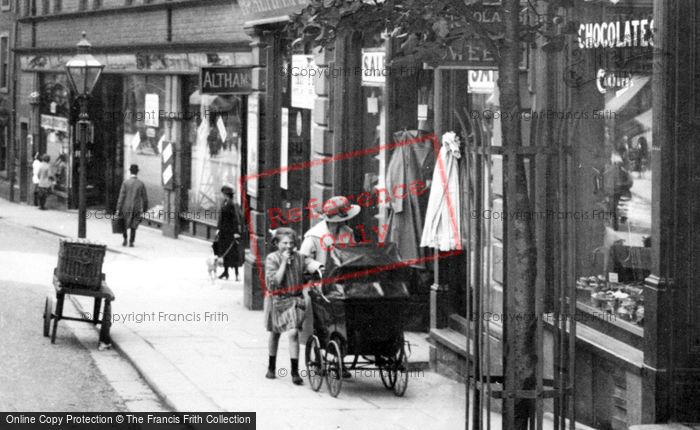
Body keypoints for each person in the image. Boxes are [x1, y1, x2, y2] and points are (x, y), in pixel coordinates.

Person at [299, 196, 360, 379]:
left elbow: (352, 254)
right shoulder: (314, 235)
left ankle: (340, 358)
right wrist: (318, 266)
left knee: (345, 317)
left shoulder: (347, 233)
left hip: (341, 284)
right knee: (317, 317)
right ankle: (317, 357)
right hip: (319, 284)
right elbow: (303, 259)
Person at [264, 227, 323, 385]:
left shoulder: (300, 258)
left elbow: (311, 264)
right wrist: (283, 262)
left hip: (295, 300)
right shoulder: (272, 258)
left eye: (291, 243)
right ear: (276, 243)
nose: (288, 246)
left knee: (293, 333)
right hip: (277, 300)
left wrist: (319, 267)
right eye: (284, 243)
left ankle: (295, 372)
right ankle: (271, 367)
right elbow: (274, 282)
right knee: (275, 333)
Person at [215, 184, 244, 280]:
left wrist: (236, 232)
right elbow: (221, 217)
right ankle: (226, 272)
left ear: (226, 194)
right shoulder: (224, 202)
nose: (222, 195)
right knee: (225, 252)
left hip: (231, 233)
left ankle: (236, 274)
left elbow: (236, 219)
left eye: (223, 194)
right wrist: (218, 229)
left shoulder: (233, 204)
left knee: (233, 253)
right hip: (224, 232)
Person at [116, 164, 149, 247]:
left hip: (125, 207)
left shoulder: (125, 183)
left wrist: (118, 208)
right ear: (137, 172)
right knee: (134, 225)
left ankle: (125, 239)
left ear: (130, 171)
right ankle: (131, 241)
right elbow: (145, 198)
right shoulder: (141, 184)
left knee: (124, 223)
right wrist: (145, 209)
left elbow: (121, 196)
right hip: (136, 207)